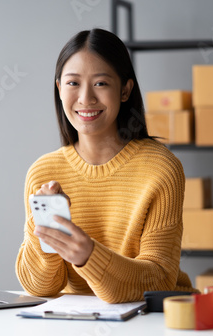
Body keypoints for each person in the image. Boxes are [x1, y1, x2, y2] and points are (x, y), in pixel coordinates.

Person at [15, 28, 198, 304]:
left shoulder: (161, 169)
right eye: (73, 83)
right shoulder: (43, 172)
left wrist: (89, 255)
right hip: (80, 320)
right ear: (59, 88)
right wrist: (40, 223)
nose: (86, 98)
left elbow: (159, 280)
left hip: (151, 318)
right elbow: (41, 287)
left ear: (125, 90)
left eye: (100, 83)